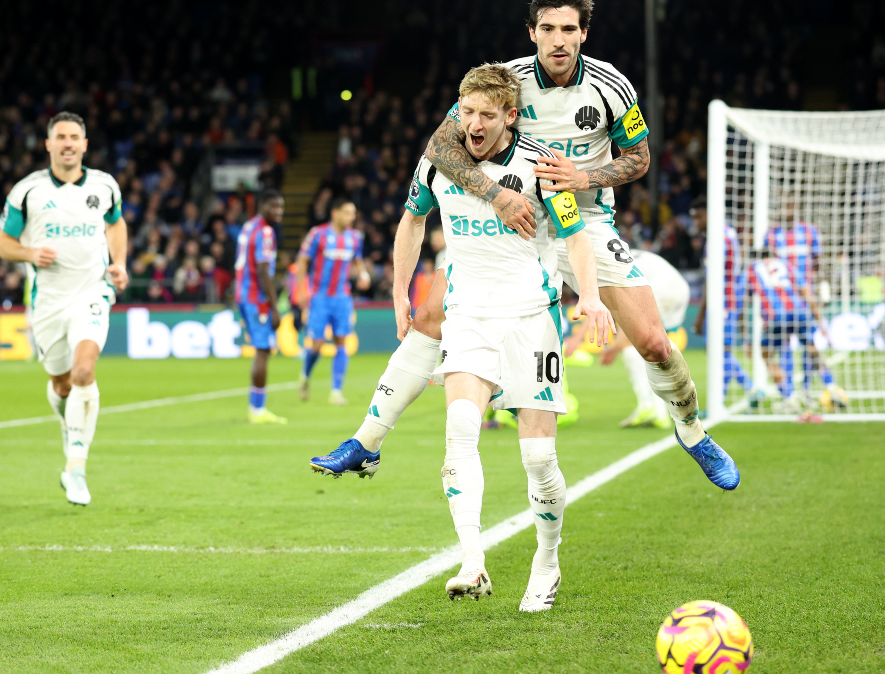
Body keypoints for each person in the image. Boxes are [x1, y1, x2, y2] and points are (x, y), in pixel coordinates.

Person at [311, 0, 739, 491]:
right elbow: (439, 146)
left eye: (568, 30)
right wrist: (497, 196)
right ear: (532, 32)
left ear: (584, 34)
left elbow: (640, 159)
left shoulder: (611, 87)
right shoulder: (505, 83)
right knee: (430, 315)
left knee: (651, 341)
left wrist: (585, 178)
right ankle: (366, 441)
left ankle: (692, 432)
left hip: (585, 224)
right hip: (514, 225)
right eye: (548, 29)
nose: (558, 40)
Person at [322, 65, 614, 609]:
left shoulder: (540, 166)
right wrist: (400, 291)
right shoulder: (439, 162)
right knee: (460, 429)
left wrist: (590, 297)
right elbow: (411, 222)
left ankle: (546, 561)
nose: (473, 124)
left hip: (531, 319)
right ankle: (472, 561)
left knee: (538, 459)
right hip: (469, 317)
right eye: (466, 111)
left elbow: (575, 238)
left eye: (486, 114)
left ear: (510, 116)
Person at [0, 111, 129, 506]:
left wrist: (118, 262)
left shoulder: (104, 185)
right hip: (48, 301)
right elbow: (3, 244)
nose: (68, 143)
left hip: (92, 292)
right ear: (49, 144)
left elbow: (116, 224)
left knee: (84, 370)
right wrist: (30, 252)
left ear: (85, 145)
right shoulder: (28, 191)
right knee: (62, 385)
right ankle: (70, 424)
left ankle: (76, 469)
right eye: (61, 137)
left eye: (75, 137)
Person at [763, 197, 844, 419]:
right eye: (783, 204)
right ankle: (792, 395)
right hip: (780, 300)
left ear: (796, 208)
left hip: (805, 297)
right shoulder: (771, 235)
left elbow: (818, 263)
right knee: (786, 345)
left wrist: (823, 287)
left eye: (790, 205)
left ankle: (808, 390)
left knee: (809, 345)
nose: (787, 209)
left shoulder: (809, 232)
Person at [742, 248, 838, 416]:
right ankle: (832, 387)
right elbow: (806, 293)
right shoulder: (787, 264)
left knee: (767, 355)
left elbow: (742, 302)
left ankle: (789, 398)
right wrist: (822, 325)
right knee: (812, 348)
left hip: (775, 317)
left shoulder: (751, 270)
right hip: (798, 312)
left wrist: (747, 339)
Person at [296, 197, 370, 405]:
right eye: (347, 213)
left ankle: (336, 391)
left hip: (342, 297)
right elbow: (302, 262)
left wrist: (363, 273)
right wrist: (302, 290)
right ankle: (305, 374)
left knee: (341, 342)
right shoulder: (317, 234)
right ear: (334, 213)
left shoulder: (354, 237)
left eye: (353, 213)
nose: (351, 217)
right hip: (319, 297)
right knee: (317, 345)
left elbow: (357, 260)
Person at [605, 249, 689, 429]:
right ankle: (659, 408)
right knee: (656, 347)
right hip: (679, 288)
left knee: (632, 349)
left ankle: (649, 406)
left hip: (661, 291)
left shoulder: (605, 264)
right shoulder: (620, 250)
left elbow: (625, 310)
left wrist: (614, 348)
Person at [691, 198, 749, 405]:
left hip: (722, 301)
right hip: (731, 297)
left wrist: (700, 316)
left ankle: (750, 389)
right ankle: (724, 398)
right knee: (720, 350)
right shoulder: (729, 233)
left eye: (698, 217)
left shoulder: (717, 239)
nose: (695, 222)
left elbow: (712, 280)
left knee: (717, 350)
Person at [236, 189, 287, 425]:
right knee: (263, 349)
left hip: (244, 293)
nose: (279, 212)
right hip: (257, 299)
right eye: (274, 207)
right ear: (263, 206)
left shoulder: (249, 226)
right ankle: (257, 411)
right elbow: (263, 269)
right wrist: (274, 306)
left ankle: (256, 408)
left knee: (262, 349)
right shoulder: (265, 231)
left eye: (281, 208)